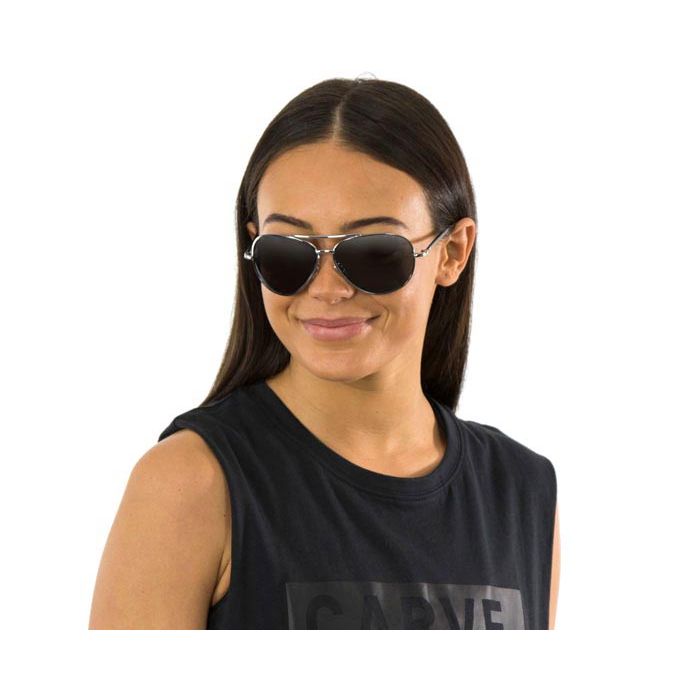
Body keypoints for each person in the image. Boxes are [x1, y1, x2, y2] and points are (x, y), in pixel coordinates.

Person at [88, 76, 560, 630]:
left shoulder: (523, 493)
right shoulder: (191, 484)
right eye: (289, 251)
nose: (328, 289)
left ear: (452, 252)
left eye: (374, 252)